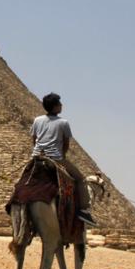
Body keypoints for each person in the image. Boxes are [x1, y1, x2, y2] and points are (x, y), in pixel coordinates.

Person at [30, 93, 95, 225]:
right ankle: (84, 210)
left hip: (36, 156)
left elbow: (34, 139)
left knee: (23, 178)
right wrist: (62, 156)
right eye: (59, 104)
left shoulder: (37, 120)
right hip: (55, 158)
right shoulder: (63, 123)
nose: (61, 106)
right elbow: (65, 144)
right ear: (54, 107)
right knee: (80, 179)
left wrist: (38, 152)